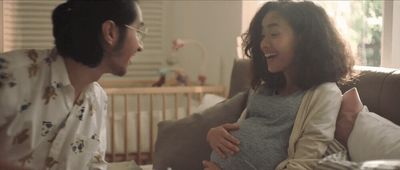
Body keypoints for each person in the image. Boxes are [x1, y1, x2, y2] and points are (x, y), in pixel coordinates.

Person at [202, 1, 356, 170]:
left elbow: (304, 164)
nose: (263, 44)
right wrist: (214, 135)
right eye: (262, 36)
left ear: (304, 39)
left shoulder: (324, 93)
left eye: (274, 34)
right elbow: (240, 133)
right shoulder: (262, 88)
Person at [0, 0, 146, 169]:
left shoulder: (98, 100)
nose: (140, 46)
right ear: (110, 32)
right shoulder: (12, 74)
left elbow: (94, 164)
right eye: (139, 32)